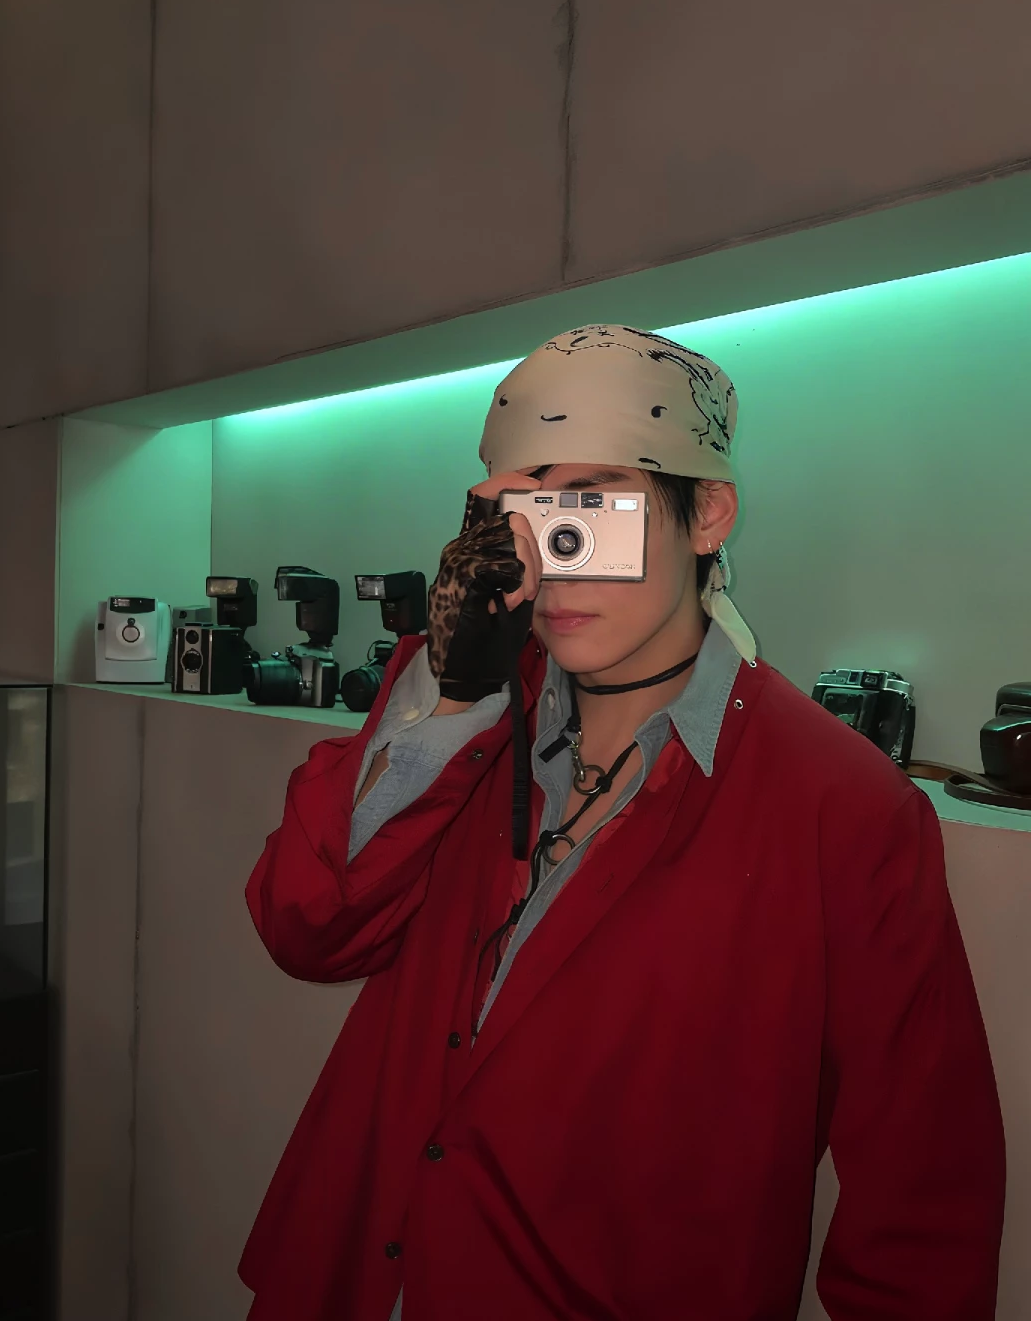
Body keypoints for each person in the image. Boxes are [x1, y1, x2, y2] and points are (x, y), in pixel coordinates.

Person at [239, 325, 1005, 1321]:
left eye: (593, 508)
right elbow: (306, 924)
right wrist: (448, 694)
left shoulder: (842, 807)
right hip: (353, 1278)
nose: (554, 560)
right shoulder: (464, 715)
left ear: (707, 514)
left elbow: (923, 1202)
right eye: (524, 515)